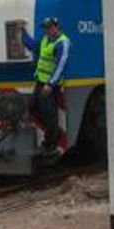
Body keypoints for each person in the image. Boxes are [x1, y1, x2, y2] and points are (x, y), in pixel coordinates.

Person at [21, 16, 70, 157]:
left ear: (56, 27)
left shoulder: (63, 43)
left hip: (50, 85)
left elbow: (61, 65)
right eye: (46, 28)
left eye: (50, 27)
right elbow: (32, 45)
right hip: (41, 82)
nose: (47, 30)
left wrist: (51, 84)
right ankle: (56, 132)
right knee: (33, 108)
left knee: (50, 114)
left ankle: (50, 144)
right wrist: (22, 31)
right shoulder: (45, 40)